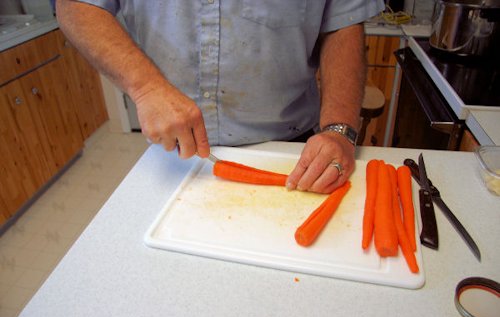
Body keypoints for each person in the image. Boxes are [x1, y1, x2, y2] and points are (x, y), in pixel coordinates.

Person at [56, 0, 384, 194]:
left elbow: (344, 21)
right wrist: (146, 88)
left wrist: (339, 131)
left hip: (295, 150)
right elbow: (74, 5)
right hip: (174, 152)